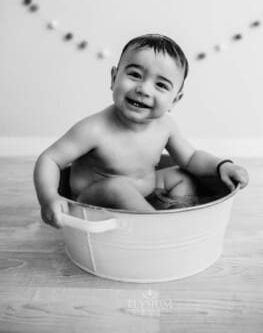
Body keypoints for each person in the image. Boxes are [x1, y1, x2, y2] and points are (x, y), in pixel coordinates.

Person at [33, 34, 249, 228]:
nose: (143, 89)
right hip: (92, 201)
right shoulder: (94, 128)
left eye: (161, 85)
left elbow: (191, 158)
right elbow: (50, 159)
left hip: (143, 195)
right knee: (118, 186)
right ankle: (157, 230)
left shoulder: (166, 126)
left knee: (182, 176)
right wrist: (49, 197)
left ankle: (177, 217)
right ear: (113, 78)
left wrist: (222, 166)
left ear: (175, 100)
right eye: (135, 75)